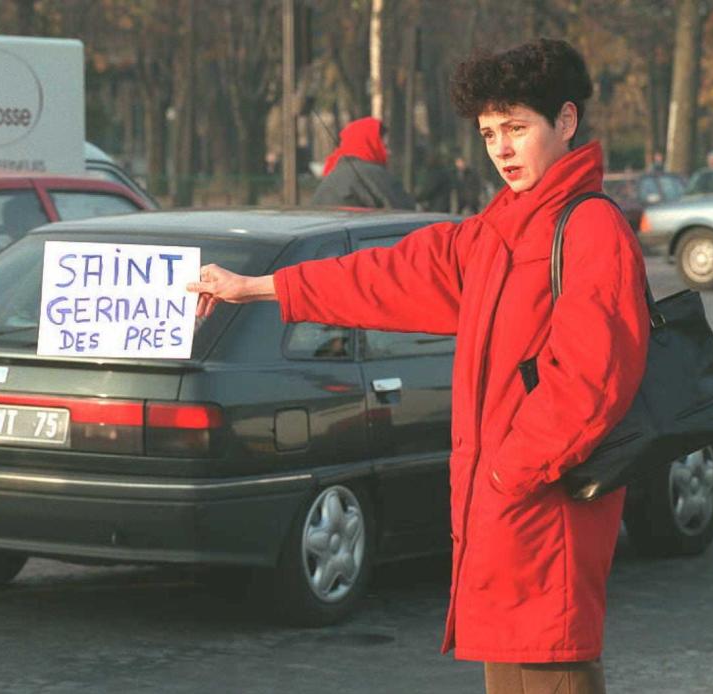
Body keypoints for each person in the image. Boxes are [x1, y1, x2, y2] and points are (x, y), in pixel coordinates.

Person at [189, 38, 649, 694]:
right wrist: (257, 288)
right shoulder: (494, 232)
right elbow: (382, 275)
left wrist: (504, 472)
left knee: (554, 673)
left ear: (567, 122)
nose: (502, 149)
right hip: (503, 520)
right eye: (490, 132)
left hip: (545, 517)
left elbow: (591, 381)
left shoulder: (589, 229)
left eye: (517, 128)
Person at [311, 116, 414, 209]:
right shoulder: (373, 174)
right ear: (370, 145)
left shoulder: (332, 175)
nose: (389, 153)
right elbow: (404, 212)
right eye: (385, 147)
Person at [415, 147, 454, 212]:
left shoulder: (436, 173)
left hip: (437, 207)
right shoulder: (443, 171)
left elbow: (429, 189)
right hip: (443, 206)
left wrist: (417, 198)